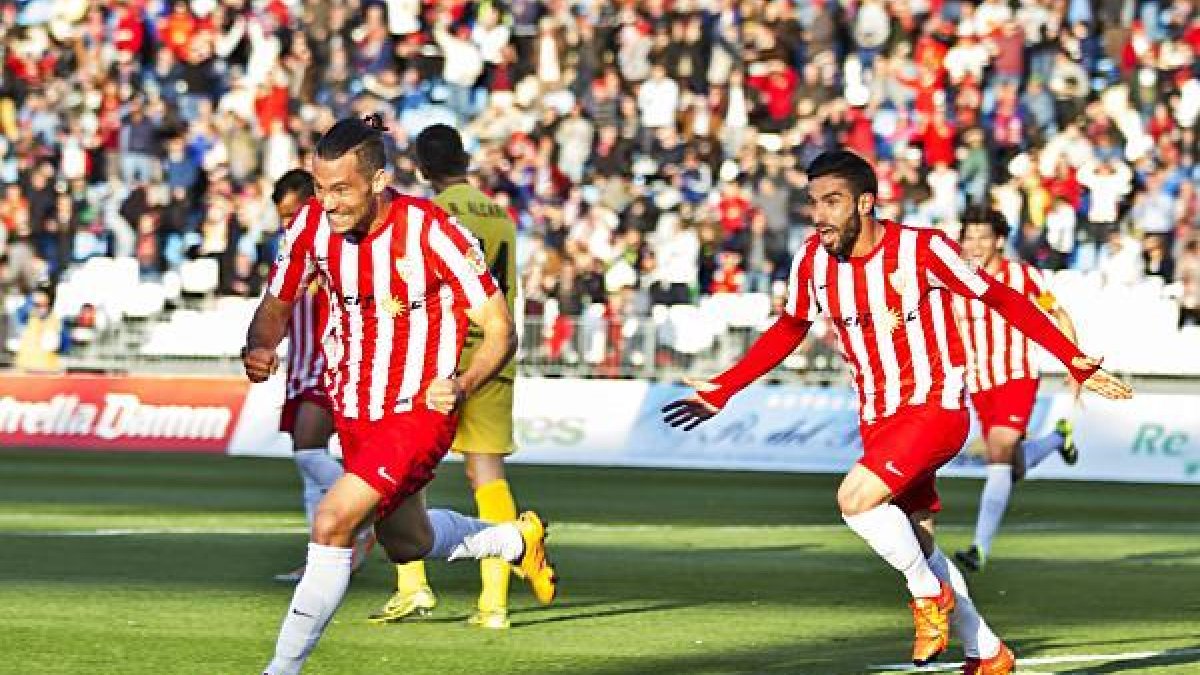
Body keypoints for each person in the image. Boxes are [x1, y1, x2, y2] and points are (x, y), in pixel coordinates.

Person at [662, 150, 1132, 674]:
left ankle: (927, 597)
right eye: (813, 202)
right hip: (879, 417)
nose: (819, 215)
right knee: (917, 536)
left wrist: (1074, 359)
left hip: (937, 407)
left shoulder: (923, 250)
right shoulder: (813, 261)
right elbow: (790, 327)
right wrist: (725, 387)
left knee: (855, 500)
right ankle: (988, 652)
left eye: (833, 202)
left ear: (865, 202)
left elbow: (1001, 298)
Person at [245, 115, 556, 675]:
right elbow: (278, 297)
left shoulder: (431, 230)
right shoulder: (312, 227)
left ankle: (280, 669)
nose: (328, 202)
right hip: (355, 407)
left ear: (380, 181)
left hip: (421, 406)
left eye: (341, 189)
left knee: (333, 522)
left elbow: (501, 327)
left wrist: (460, 385)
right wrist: (261, 344)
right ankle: (512, 540)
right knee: (408, 541)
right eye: (319, 187)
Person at [370, 124, 523, 629]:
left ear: (421, 168)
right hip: (492, 359)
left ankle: (413, 587)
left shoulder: (430, 217)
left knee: (404, 469)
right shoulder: (500, 215)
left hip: (438, 360)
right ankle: (495, 604)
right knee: (488, 476)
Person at [951, 206, 1081, 573]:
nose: (975, 244)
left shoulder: (1022, 277)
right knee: (1010, 464)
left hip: (1016, 375)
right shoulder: (955, 280)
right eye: (969, 237)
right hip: (978, 382)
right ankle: (1058, 439)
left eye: (982, 237)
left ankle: (979, 547)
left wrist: (1074, 362)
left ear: (998, 241)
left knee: (1001, 448)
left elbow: (1058, 314)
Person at [267, 169, 372, 583]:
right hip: (301, 365)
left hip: (332, 365)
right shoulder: (291, 249)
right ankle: (323, 559)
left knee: (308, 449)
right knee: (306, 465)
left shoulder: (337, 244)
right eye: (282, 218)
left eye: (293, 215)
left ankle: (368, 508)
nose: (288, 224)